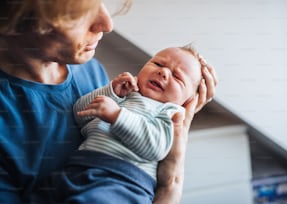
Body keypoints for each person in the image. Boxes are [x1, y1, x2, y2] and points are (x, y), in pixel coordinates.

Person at [0, 0, 217, 203]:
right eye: (77, 15)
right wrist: (169, 189)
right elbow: (85, 116)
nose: (107, 24)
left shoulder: (91, 71)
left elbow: (104, 125)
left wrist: (174, 166)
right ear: (14, 20)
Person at [44, 45, 204, 203]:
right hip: (78, 167)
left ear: (188, 100)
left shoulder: (169, 113)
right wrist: (111, 91)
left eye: (177, 76)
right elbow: (80, 114)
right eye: (158, 64)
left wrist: (116, 115)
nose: (163, 72)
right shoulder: (125, 93)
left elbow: (155, 148)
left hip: (123, 181)